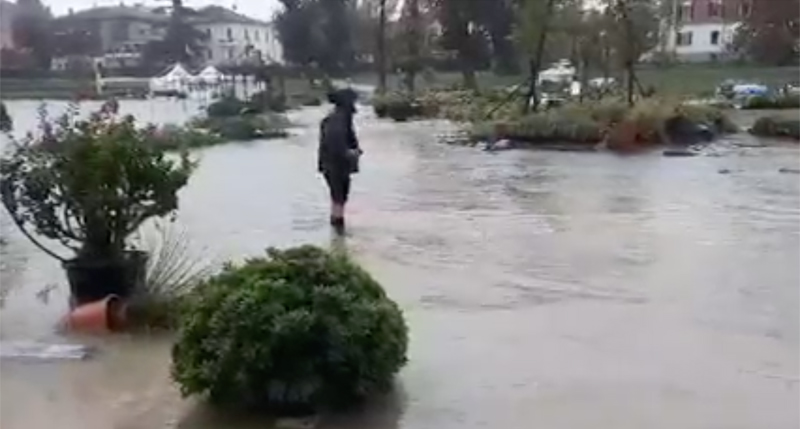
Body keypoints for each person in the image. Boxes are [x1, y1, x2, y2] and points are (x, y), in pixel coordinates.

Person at [318, 88, 362, 233]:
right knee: (339, 196)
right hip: (335, 164)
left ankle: (337, 236)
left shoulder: (337, 118)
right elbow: (335, 143)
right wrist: (350, 152)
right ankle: (338, 230)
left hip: (332, 163)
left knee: (339, 197)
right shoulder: (338, 120)